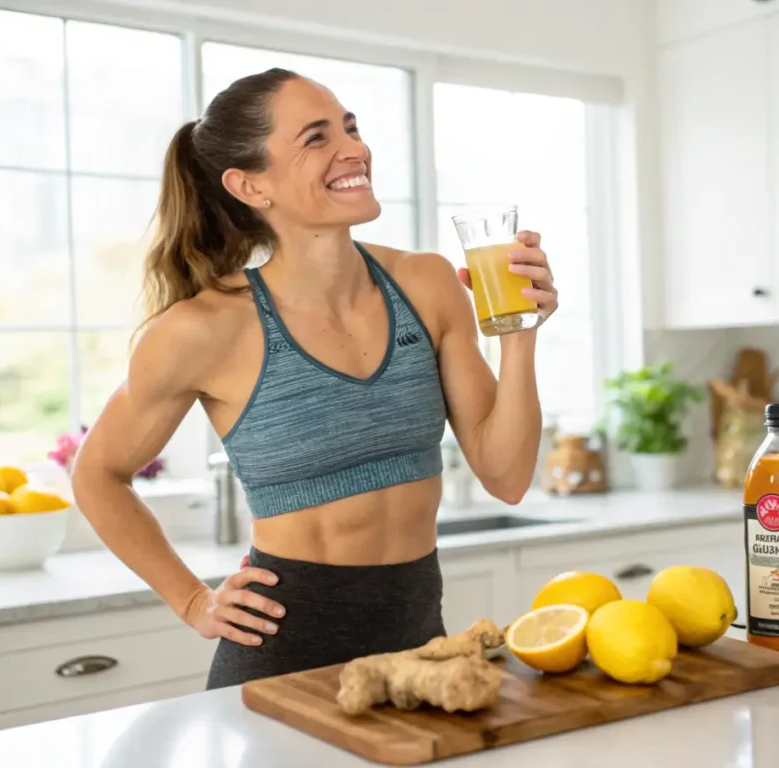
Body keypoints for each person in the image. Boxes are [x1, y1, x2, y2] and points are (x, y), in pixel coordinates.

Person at [70, 67, 558, 690]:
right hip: (283, 657)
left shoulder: (428, 284)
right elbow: (96, 474)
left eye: (351, 128)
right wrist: (194, 601)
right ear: (250, 185)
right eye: (317, 138)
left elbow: (508, 476)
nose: (354, 149)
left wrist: (519, 333)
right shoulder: (203, 329)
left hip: (421, 651)